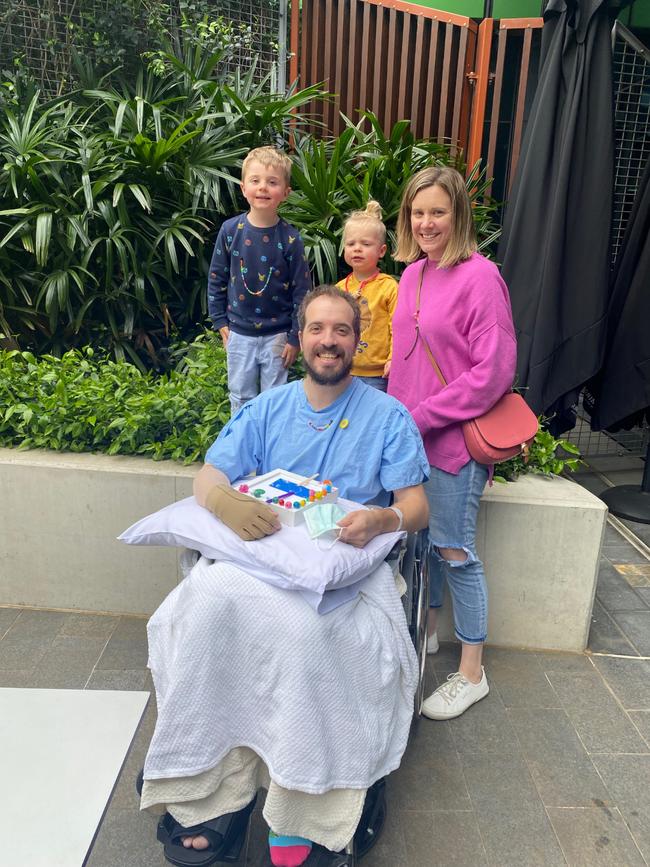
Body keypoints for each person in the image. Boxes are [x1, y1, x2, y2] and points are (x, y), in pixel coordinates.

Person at [140, 286, 429, 867]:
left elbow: (418, 506)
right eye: (317, 329)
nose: (328, 341)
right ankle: (212, 791)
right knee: (200, 614)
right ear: (301, 338)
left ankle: (303, 804)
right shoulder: (266, 409)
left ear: (357, 341)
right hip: (257, 561)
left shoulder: (388, 418)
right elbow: (210, 474)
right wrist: (223, 505)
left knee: (306, 639)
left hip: (336, 573)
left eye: (341, 331)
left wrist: (381, 518)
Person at [388, 166, 517, 721]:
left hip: (454, 447)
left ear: (458, 215)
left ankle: (472, 673)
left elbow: (494, 371)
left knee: (454, 551)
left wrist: (421, 415)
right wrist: (393, 422)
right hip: (412, 441)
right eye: (418, 212)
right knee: (424, 546)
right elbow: (402, 361)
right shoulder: (412, 275)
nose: (426, 223)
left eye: (437, 212)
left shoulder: (482, 277)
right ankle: (430, 633)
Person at [207, 146, 312, 415]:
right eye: (255, 180)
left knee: (274, 398)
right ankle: (241, 450)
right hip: (238, 333)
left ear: (285, 192)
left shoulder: (291, 239)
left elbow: (302, 292)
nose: (263, 187)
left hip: (277, 335)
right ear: (243, 188)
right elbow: (216, 277)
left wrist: (294, 337)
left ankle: (270, 451)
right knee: (240, 395)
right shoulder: (231, 230)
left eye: (272, 182)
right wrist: (219, 320)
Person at [336, 201, 398, 392]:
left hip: (378, 375)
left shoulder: (389, 287)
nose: (357, 248)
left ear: (381, 251)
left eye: (365, 244)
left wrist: (392, 359)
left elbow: (397, 327)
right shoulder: (338, 289)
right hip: (343, 370)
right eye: (351, 243)